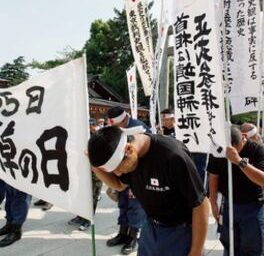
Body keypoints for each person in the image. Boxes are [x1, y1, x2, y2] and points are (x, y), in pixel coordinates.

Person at [88, 125, 209, 256]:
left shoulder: (172, 155)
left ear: (129, 149)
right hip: (150, 227)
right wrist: (95, 167)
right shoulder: (125, 158)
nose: (118, 173)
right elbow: (119, 184)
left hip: (180, 231)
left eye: (118, 168)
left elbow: (201, 203)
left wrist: (196, 250)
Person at [208, 126, 264, 256]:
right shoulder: (218, 150)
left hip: (252, 206)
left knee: (253, 248)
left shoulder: (258, 150)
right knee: (230, 247)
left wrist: (239, 161)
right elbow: (213, 176)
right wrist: (213, 202)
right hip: (228, 205)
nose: (229, 155)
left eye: (236, 149)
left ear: (243, 137)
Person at [104, 106, 150, 254]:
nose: (115, 128)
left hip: (138, 174)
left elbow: (147, 154)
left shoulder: (139, 128)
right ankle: (123, 233)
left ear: (124, 119)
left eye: (117, 125)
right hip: (122, 174)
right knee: (123, 204)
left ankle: (133, 237)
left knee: (136, 208)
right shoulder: (115, 128)